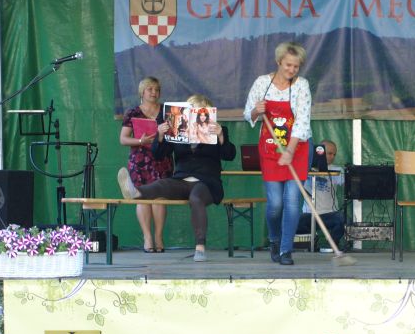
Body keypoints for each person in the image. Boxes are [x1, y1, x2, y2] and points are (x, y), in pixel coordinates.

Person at [117, 94, 236, 262]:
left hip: (207, 182)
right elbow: (159, 154)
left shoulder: (218, 130)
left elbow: (229, 155)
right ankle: (135, 192)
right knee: (162, 184)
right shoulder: (177, 128)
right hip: (182, 179)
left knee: (196, 198)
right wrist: (160, 135)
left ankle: (200, 248)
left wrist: (221, 136)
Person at [243, 41, 312, 266]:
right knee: (275, 205)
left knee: (292, 201)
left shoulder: (302, 86)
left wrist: (290, 150)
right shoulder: (262, 83)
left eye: (296, 66)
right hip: (270, 149)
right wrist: (256, 110)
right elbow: (248, 114)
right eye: (288, 65)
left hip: (297, 148)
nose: (292, 70)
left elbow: (302, 121)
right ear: (279, 62)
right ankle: (274, 239)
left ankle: (285, 250)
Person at [119, 76, 174, 253]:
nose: (154, 92)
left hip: (162, 159)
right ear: (142, 92)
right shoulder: (133, 112)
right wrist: (140, 141)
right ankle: (147, 237)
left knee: (159, 198)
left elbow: (177, 135)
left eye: (157, 89)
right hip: (140, 161)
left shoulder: (168, 111)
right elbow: (123, 139)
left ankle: (158, 237)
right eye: (150, 89)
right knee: (142, 198)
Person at [296, 140, 345, 250]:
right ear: (320, 153)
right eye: (329, 153)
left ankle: (331, 244)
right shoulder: (305, 168)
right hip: (309, 214)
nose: (332, 157)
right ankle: (313, 240)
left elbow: (347, 184)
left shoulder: (337, 170)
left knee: (343, 219)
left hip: (329, 214)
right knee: (294, 221)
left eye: (334, 154)